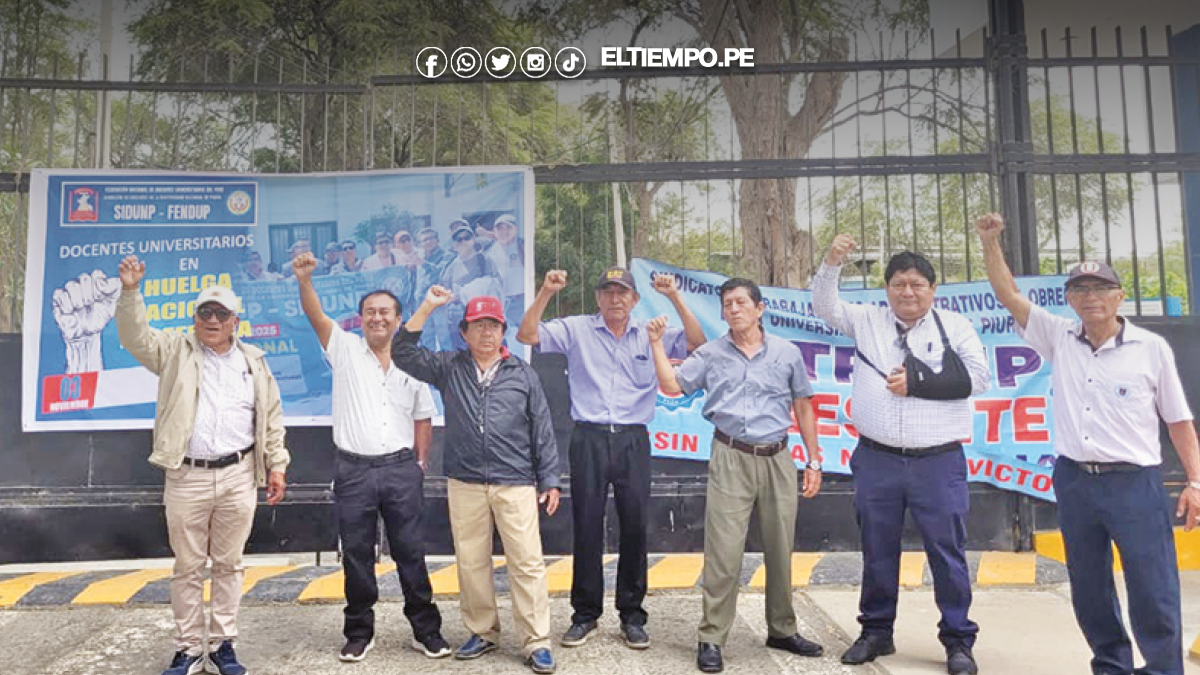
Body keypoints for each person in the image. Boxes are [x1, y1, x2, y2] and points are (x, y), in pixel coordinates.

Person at [976, 213, 1200, 675]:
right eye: (1080, 290)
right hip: (1076, 481)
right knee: (1090, 585)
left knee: (1152, 585)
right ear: (1070, 300)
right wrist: (989, 242)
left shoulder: (1150, 349)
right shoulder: (1060, 338)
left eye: (1100, 288)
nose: (1091, 297)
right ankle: (1111, 665)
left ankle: (1162, 668)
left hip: (1134, 484)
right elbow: (1008, 295)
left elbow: (1178, 421)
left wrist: (1196, 481)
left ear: (1119, 296)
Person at [813, 236, 989, 675]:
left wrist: (919, 384)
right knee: (877, 549)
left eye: (916, 284)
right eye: (897, 284)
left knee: (946, 553)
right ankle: (875, 631)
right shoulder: (868, 321)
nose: (906, 292)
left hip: (938, 461)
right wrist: (833, 262)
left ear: (932, 289)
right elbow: (824, 306)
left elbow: (979, 379)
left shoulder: (954, 326)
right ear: (886, 288)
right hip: (878, 459)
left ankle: (957, 640)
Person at [114, 255, 289, 675]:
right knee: (188, 566)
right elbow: (134, 336)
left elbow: (271, 419)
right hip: (187, 475)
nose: (212, 319)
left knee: (229, 565)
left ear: (235, 321)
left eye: (220, 313)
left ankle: (224, 644)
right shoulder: (174, 350)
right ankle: (189, 648)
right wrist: (131, 292)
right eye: (204, 312)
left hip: (238, 475)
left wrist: (277, 465)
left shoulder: (255, 362)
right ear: (195, 319)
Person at [516, 266, 705, 650]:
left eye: (623, 293)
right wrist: (546, 293)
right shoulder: (578, 329)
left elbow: (697, 345)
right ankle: (585, 614)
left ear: (634, 299)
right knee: (586, 525)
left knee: (635, 526)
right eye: (608, 292)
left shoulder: (650, 333)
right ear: (598, 298)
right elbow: (527, 334)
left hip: (633, 439)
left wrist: (674, 298)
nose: (615, 299)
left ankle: (632, 616)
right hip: (589, 437)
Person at [646, 277, 823, 673]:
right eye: (727, 304)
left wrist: (813, 460)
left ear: (760, 309)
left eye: (742, 302)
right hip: (730, 455)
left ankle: (782, 628)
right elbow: (672, 386)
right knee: (723, 551)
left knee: (781, 548)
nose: (734, 309)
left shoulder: (787, 353)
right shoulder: (710, 354)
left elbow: (804, 406)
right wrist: (656, 344)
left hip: (778, 457)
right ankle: (711, 637)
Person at [292, 251, 450, 663]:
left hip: (401, 470)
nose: (377, 318)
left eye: (385, 312)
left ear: (399, 320)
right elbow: (315, 316)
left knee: (411, 552)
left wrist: (419, 463)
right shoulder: (343, 348)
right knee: (358, 555)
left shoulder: (414, 363)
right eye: (369, 312)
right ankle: (359, 631)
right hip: (354, 470)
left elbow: (423, 418)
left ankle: (425, 630)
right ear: (361, 318)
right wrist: (305, 280)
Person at [394, 288, 561, 674]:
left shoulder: (523, 373)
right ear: (464, 331)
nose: (486, 332)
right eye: (478, 325)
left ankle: (536, 641)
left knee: (527, 562)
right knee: (471, 561)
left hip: (515, 480)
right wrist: (428, 306)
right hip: (465, 480)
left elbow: (543, 428)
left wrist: (549, 478)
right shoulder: (449, 366)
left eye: (494, 325)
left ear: (503, 330)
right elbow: (403, 352)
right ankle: (483, 631)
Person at [440, 223, 502, 350]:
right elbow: (445, 289)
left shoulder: (484, 259)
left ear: (473, 240)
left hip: (482, 319)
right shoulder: (451, 266)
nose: (463, 241)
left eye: (466, 237)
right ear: (454, 245)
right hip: (459, 319)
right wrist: (450, 297)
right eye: (459, 239)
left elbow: (496, 284)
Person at [486, 214, 526, 330]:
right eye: (500, 228)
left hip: (522, 302)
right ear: (494, 231)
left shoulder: (524, 247)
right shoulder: (488, 252)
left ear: (516, 229)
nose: (504, 232)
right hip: (501, 305)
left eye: (508, 228)